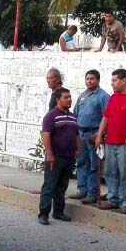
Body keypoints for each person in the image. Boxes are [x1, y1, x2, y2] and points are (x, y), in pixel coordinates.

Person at [95, 69, 126, 214]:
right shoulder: (113, 97)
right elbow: (106, 117)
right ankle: (112, 199)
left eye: (115, 80)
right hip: (111, 141)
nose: (112, 84)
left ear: (124, 80)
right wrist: (99, 135)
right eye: (112, 81)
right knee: (110, 172)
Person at [39, 88, 80, 224]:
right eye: (66, 97)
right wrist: (49, 153)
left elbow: (76, 134)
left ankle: (58, 212)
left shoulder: (73, 116)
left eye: (70, 97)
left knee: (62, 186)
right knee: (49, 185)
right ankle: (43, 214)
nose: (69, 100)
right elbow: (46, 134)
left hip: (69, 157)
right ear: (58, 100)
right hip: (55, 157)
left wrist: (78, 149)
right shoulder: (51, 116)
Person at [69, 70, 110, 204]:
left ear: (98, 80)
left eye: (92, 79)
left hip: (94, 134)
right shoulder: (82, 95)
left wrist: (100, 135)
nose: (89, 81)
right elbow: (75, 113)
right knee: (81, 163)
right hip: (81, 133)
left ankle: (93, 193)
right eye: (87, 78)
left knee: (94, 165)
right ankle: (82, 190)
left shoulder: (103, 96)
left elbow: (107, 117)